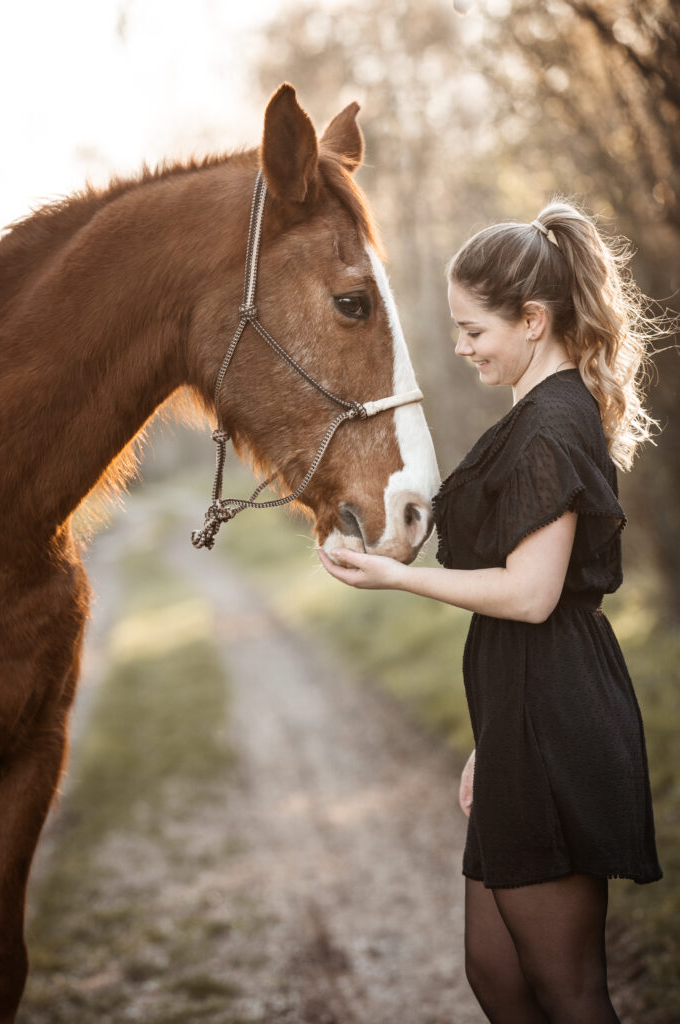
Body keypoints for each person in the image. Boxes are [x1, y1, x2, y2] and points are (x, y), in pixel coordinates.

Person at [317, 200, 664, 1024]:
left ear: (533, 320)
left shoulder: (550, 423)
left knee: (569, 990)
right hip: (524, 713)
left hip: (558, 715)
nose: (461, 347)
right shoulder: (531, 413)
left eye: (474, 330)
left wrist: (394, 580)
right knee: (498, 976)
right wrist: (491, 738)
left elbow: (530, 593)